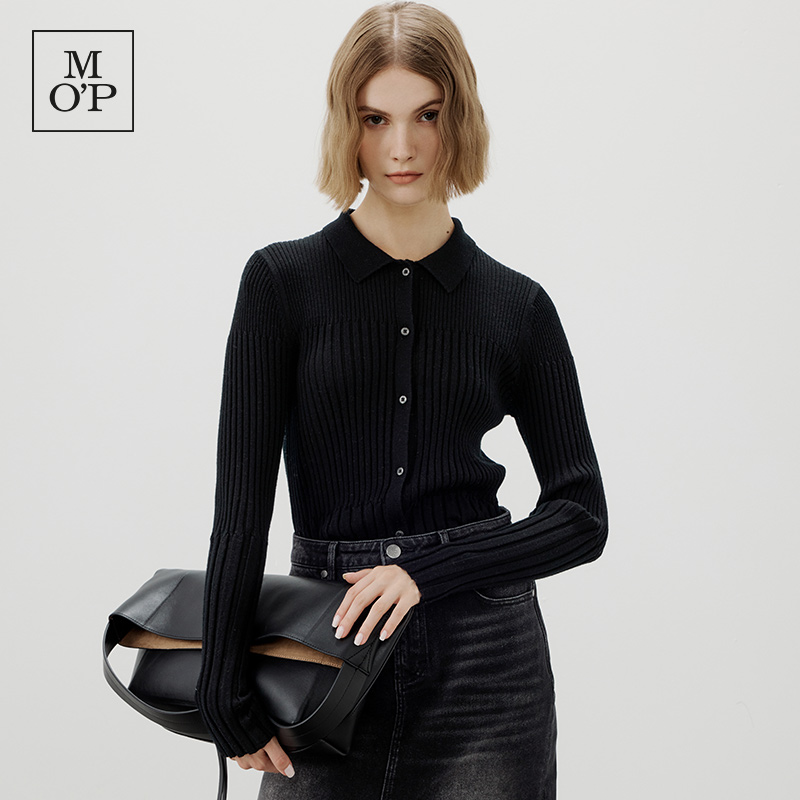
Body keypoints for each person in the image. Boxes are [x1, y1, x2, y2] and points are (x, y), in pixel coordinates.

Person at [196, 2, 608, 798]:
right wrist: (223, 683)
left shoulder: (517, 306)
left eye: (428, 114)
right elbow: (240, 507)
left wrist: (428, 570)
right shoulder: (282, 284)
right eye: (374, 118)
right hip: (322, 643)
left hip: (486, 665)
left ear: (461, 117)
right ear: (345, 126)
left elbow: (582, 514)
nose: (401, 148)